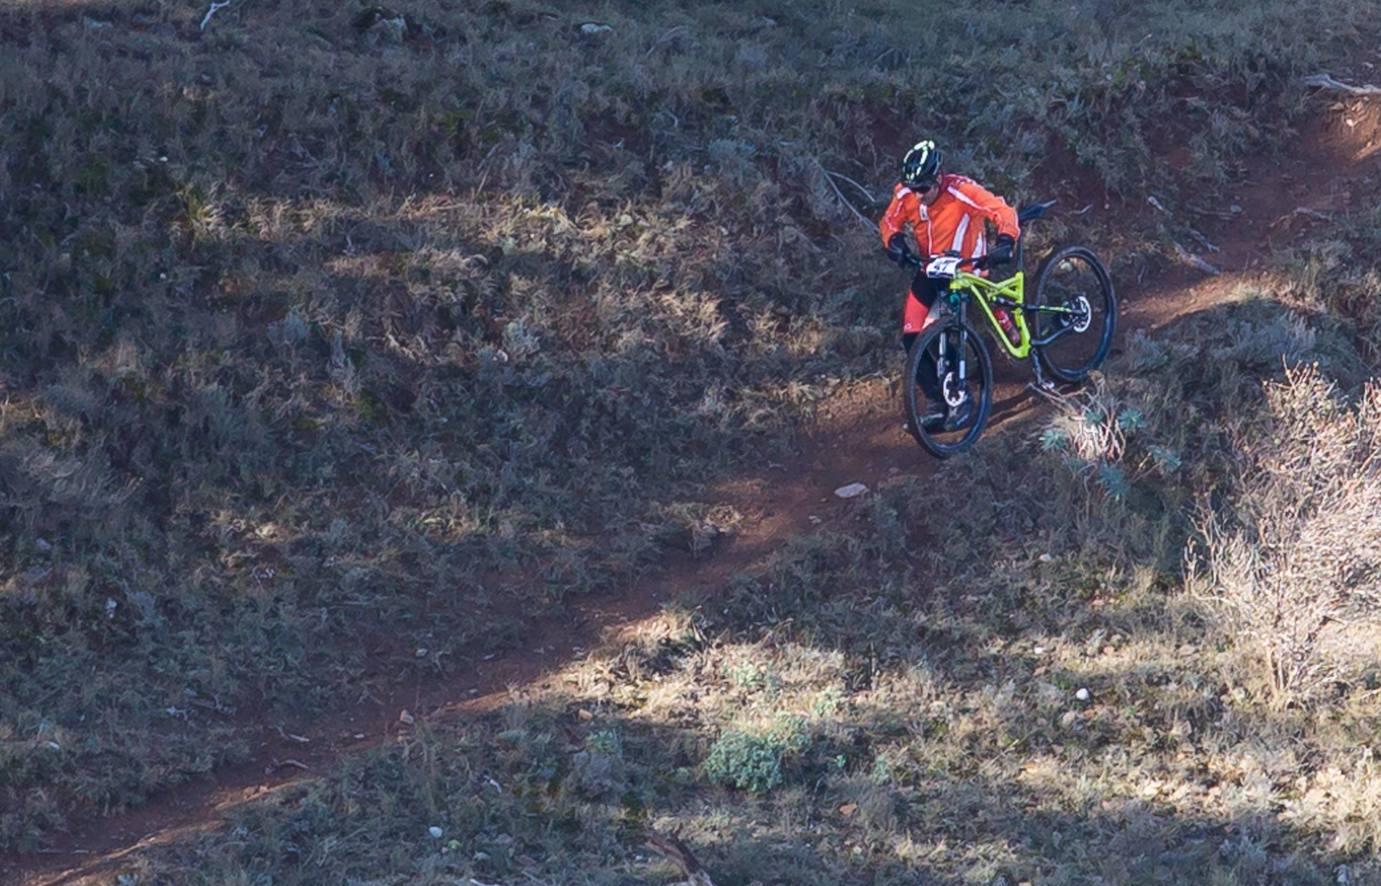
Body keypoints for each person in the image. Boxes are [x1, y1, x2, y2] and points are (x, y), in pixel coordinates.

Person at [879, 139, 1020, 430]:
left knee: (944, 329)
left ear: (938, 178)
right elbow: (889, 222)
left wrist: (1005, 240)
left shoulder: (961, 190)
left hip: (967, 268)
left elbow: (1003, 211)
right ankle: (936, 401)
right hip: (931, 268)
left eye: (924, 189)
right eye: (913, 188)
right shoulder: (907, 192)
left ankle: (961, 398)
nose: (918, 196)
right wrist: (894, 242)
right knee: (911, 335)